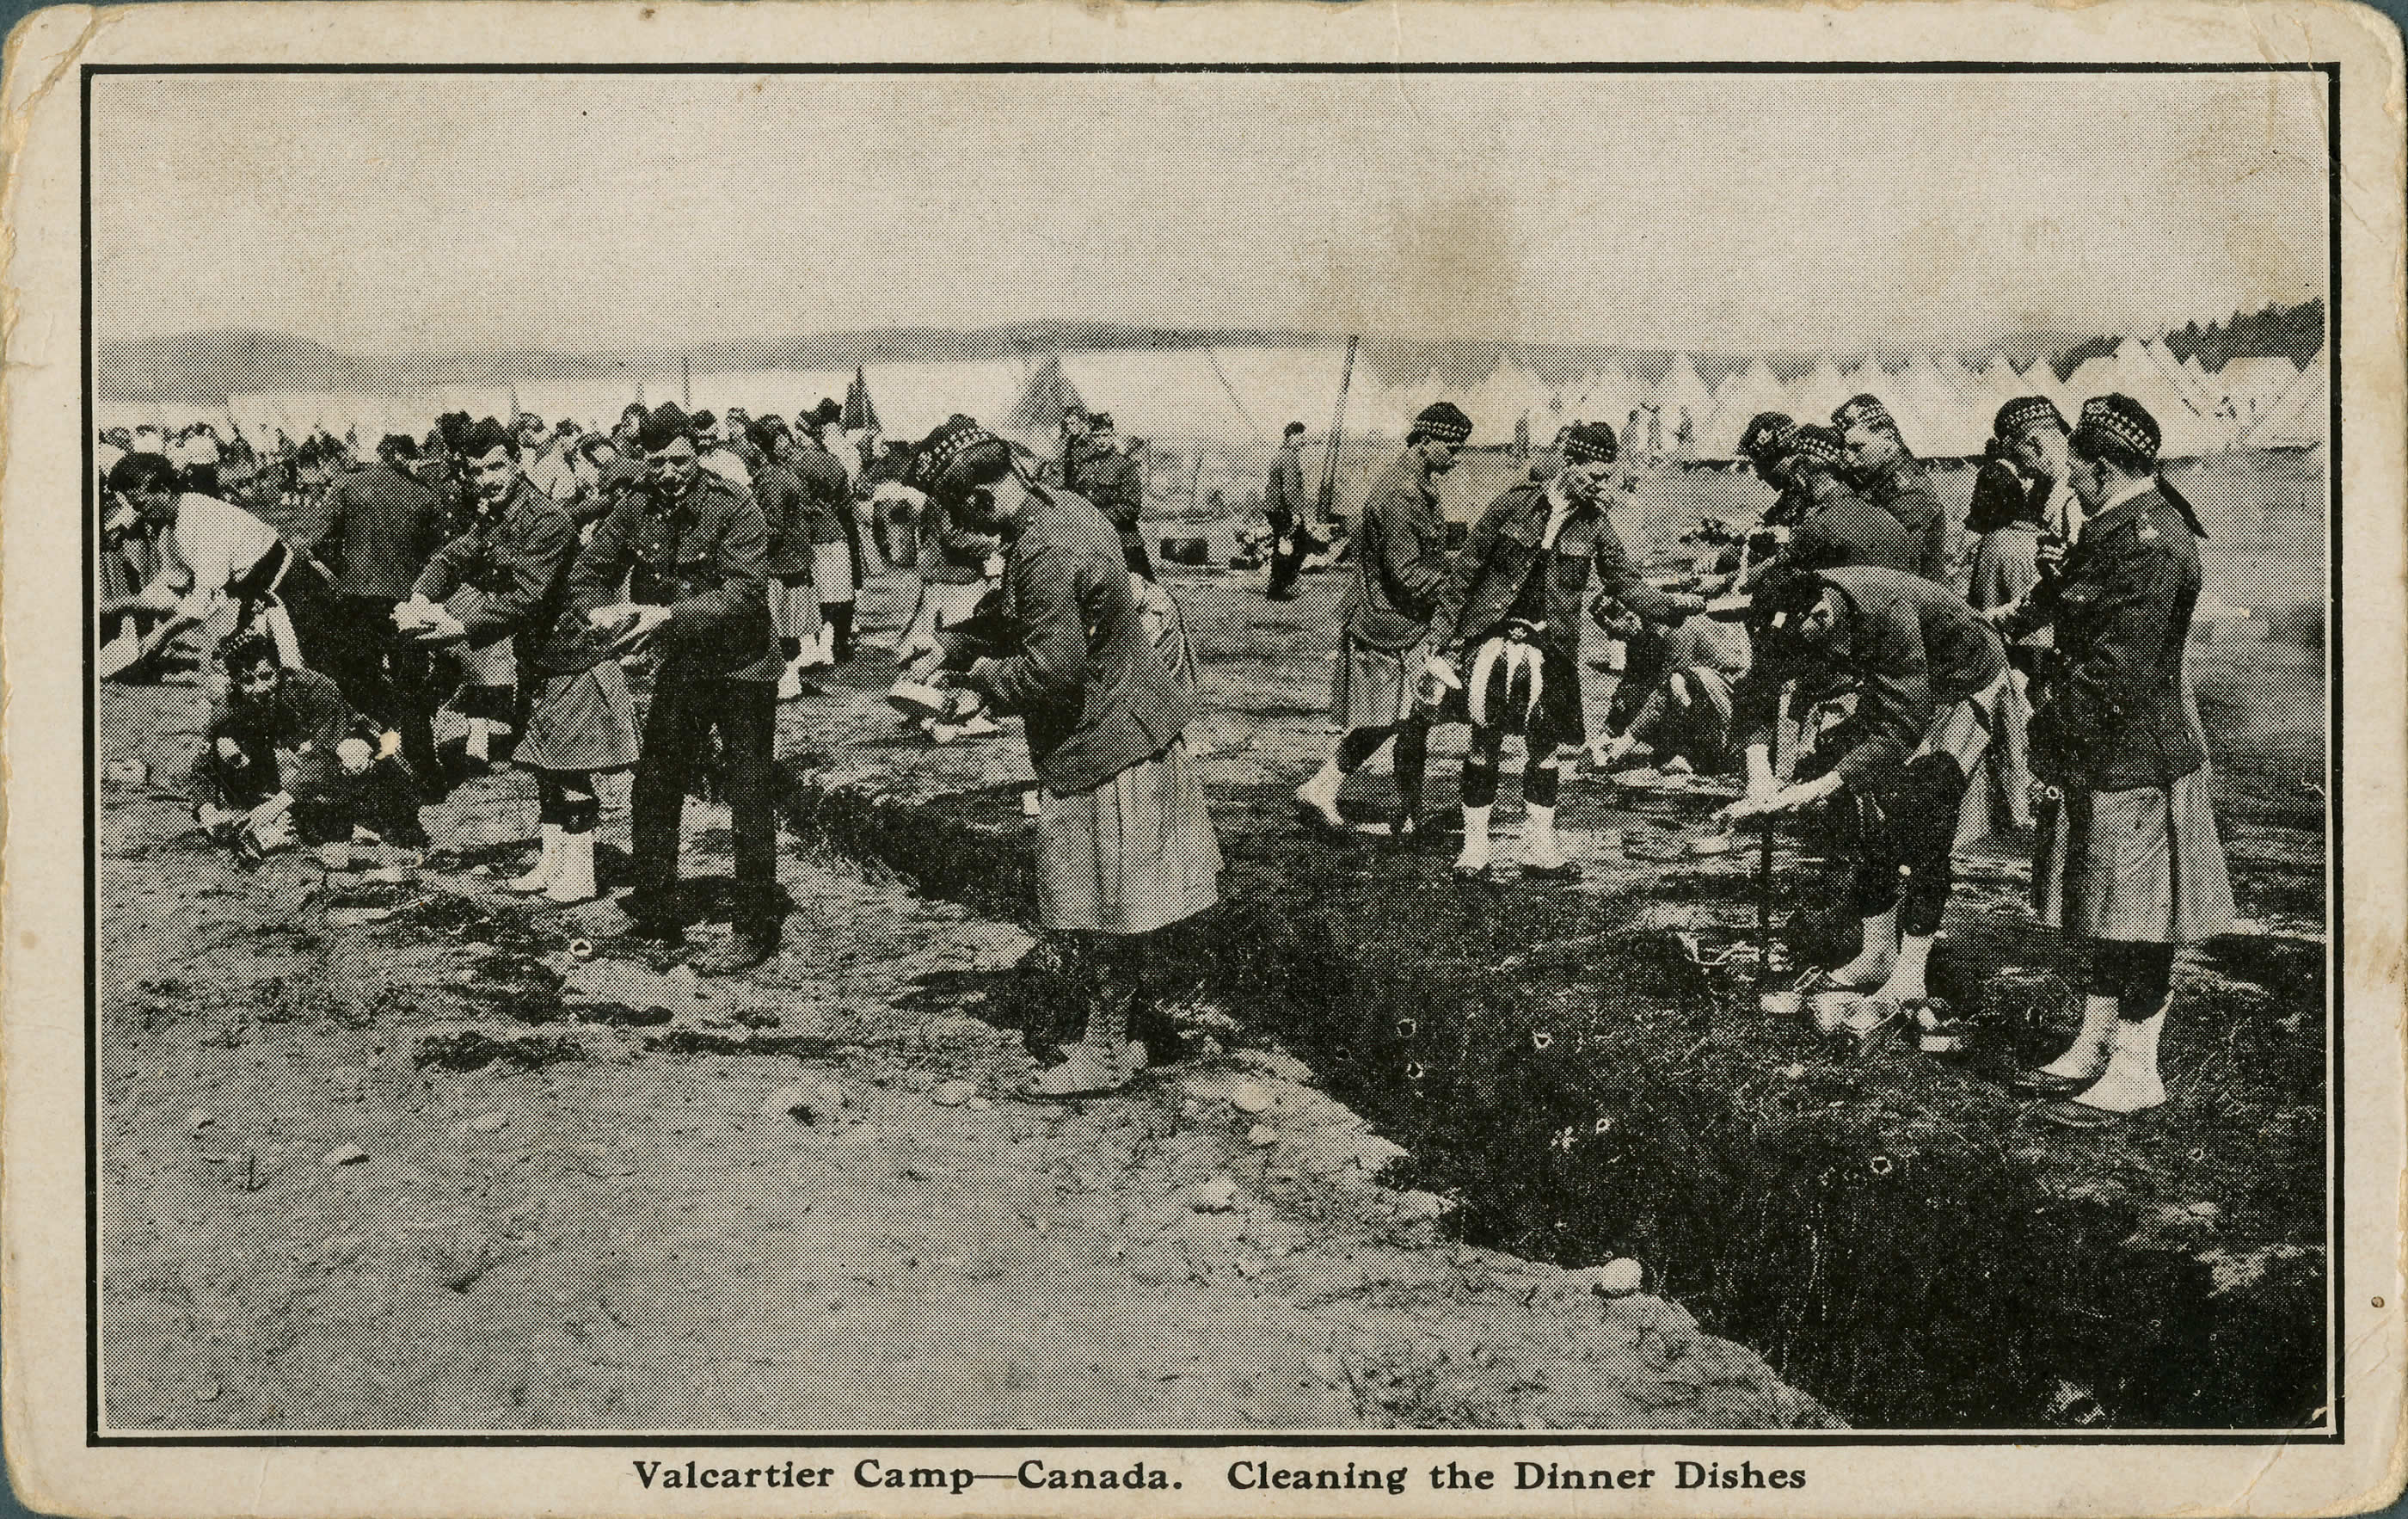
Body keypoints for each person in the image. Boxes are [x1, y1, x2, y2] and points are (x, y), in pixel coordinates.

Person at [900, 423, 1219, 1098]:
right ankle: (1119, 1036)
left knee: (1102, 910)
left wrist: (974, 677)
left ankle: (1104, 1052)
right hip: (1130, 726)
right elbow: (1042, 620)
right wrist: (955, 643)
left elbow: (1049, 669)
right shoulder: (1066, 507)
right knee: (1118, 906)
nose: (973, 536)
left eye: (965, 520)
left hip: (1102, 745)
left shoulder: (1044, 548)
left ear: (982, 500)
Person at [1998, 394, 2233, 1128]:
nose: (2065, 479)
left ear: (2102, 469)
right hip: (2106, 751)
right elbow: (2072, 602)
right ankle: (2094, 1041)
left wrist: (2043, 741)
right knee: (2101, 908)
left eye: (2073, 468)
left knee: (2139, 919)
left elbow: (2113, 672)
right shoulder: (2120, 524)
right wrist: (2009, 618)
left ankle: (2137, 1066)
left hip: (2137, 758)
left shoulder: (2152, 541)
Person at [1726, 565, 2020, 1030]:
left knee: (1926, 807)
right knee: (1871, 808)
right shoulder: (1786, 603)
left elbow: (1902, 723)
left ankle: (1911, 973)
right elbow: (1758, 688)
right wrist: (1759, 773)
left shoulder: (1887, 613)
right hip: (1898, 688)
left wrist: (1816, 788)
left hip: (1964, 680)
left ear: (1821, 616)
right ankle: (1878, 949)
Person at [1425, 422, 1705, 878]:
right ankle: (1474, 850)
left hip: (1553, 647)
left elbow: (1624, 583)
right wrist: (1441, 637)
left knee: (1545, 748)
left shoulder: (1597, 524)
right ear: (1570, 464)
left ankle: (1541, 849)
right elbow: (1466, 572)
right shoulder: (1513, 503)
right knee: (1484, 742)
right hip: (1491, 638)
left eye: (1605, 477)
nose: (1601, 485)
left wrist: (1678, 605)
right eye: (1594, 475)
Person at [574, 403, 784, 974]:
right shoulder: (633, 506)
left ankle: (755, 923)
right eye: (659, 461)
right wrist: (600, 615)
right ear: (643, 458)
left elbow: (743, 596)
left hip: (744, 668)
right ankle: (656, 914)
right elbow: (589, 570)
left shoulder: (735, 506)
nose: (671, 472)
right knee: (656, 784)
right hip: (687, 665)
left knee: (749, 792)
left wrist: (663, 616)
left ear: (698, 453)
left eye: (681, 459)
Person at [1293, 401, 1473, 842]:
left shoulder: (1415, 485)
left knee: (1407, 721)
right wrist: (1464, 588)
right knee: (1392, 721)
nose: (1456, 457)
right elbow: (1407, 573)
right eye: (1451, 447)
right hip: (1387, 626)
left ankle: (1402, 810)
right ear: (1426, 442)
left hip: (1398, 624)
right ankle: (1323, 787)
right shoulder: (1400, 495)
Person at [97, 451, 337, 679]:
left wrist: (160, 635)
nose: (138, 514)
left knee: (305, 676)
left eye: (140, 505)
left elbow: (202, 602)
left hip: (291, 589)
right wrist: (115, 607)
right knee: (254, 679)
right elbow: (172, 589)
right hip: (253, 595)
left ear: (163, 490)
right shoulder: (169, 527)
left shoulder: (202, 518)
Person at [190, 630, 428, 860]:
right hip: (308, 784)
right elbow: (205, 762)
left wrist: (276, 805)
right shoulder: (234, 701)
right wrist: (207, 811)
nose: (259, 688)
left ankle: (387, 825)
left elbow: (325, 757)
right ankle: (318, 825)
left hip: (368, 769)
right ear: (236, 682)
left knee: (350, 751)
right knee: (227, 745)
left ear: (280, 671)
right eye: (248, 681)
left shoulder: (314, 689)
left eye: (266, 676)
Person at [302, 433, 449, 798]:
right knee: (411, 689)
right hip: (406, 605)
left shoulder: (347, 485)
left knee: (357, 684)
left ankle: (364, 769)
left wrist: (342, 574)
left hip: (356, 603)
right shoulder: (426, 496)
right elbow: (440, 557)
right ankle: (426, 776)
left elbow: (313, 544)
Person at [1592, 600, 1752, 776]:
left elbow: (1662, 694)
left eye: (1611, 630)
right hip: (1700, 695)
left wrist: (1625, 742)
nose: (1611, 637)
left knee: (1677, 684)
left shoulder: (1674, 628)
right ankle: (1675, 750)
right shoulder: (1638, 633)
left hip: (1729, 700)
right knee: (1636, 693)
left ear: (1629, 617)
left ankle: (1706, 756)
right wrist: (1606, 734)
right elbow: (1629, 685)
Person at [1833, 393, 1953, 586]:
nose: (1848, 458)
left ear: (1887, 440)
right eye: (1845, 450)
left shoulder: (1909, 488)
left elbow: (1896, 558)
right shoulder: (1877, 479)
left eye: (1857, 448)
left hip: (1915, 599)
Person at [791, 419, 858, 666]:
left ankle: (816, 648)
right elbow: (845, 503)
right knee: (837, 595)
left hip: (811, 535)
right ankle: (832, 645)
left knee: (815, 594)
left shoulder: (798, 465)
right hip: (837, 534)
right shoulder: (835, 463)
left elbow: (796, 503)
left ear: (808, 435)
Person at [1263, 421, 1312, 600]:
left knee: (1286, 546)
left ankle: (1279, 585)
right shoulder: (1289, 457)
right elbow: (1290, 489)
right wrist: (1295, 513)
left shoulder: (1281, 454)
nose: (1304, 441)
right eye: (1301, 437)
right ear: (1292, 436)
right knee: (1293, 547)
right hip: (1284, 510)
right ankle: (1279, 588)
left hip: (1277, 509)